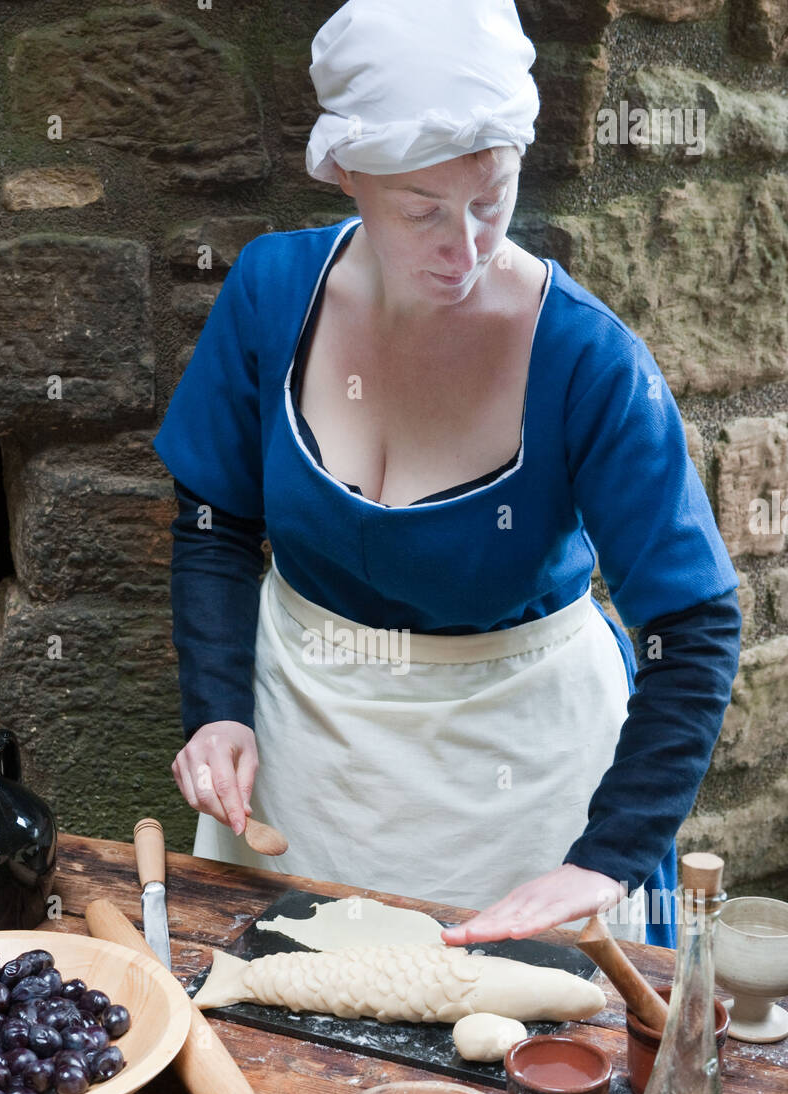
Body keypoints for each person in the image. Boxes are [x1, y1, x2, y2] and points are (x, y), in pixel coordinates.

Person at [153, 0, 742, 950]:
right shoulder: (269, 293)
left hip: (525, 788)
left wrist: (609, 854)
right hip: (307, 760)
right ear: (348, 171)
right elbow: (215, 524)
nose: (465, 248)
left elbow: (695, 624)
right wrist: (217, 710)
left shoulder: (589, 361)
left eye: (492, 199)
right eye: (423, 210)